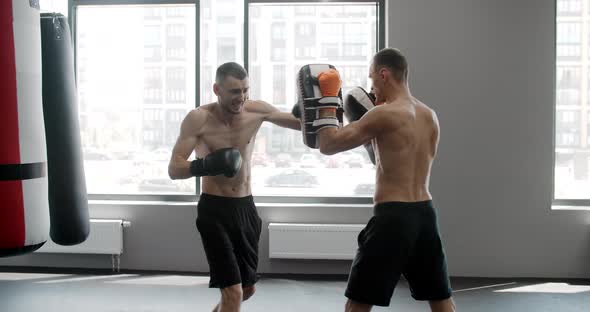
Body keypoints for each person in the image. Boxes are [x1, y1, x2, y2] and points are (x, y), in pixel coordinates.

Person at [313, 48, 456, 312]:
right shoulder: (430, 115)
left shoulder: (384, 114)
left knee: (358, 301)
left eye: (371, 79)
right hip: (425, 214)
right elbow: (396, 155)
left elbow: (328, 144)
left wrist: (328, 99)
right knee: (440, 298)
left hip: (393, 218)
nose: (371, 88)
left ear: (384, 74)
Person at [168, 62, 300, 312]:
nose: (241, 98)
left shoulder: (256, 111)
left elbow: (299, 124)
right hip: (214, 211)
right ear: (217, 89)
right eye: (234, 92)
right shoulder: (199, 119)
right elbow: (174, 169)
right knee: (233, 291)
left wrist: (318, 111)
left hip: (245, 208)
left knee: (246, 290)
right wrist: (207, 165)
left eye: (245, 90)